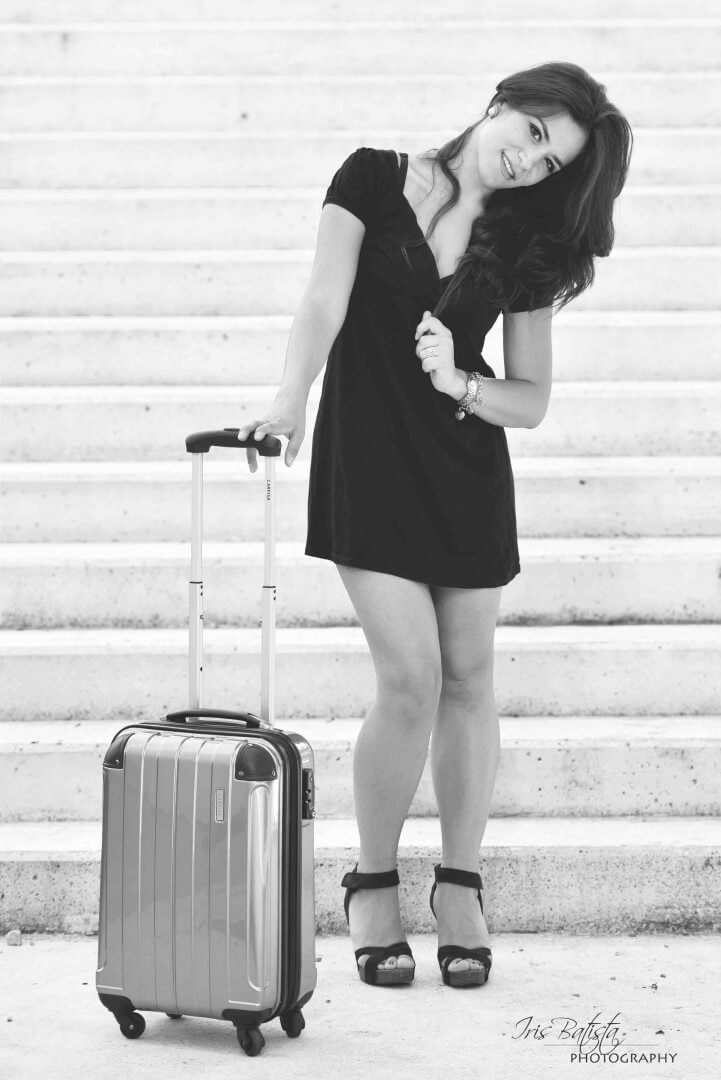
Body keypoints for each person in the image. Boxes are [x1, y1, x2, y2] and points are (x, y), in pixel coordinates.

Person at [235, 61, 633, 989]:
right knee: (411, 678)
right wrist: (288, 399)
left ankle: (459, 885)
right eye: (533, 133)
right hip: (366, 462)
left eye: (551, 163)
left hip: (462, 472)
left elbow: (530, 399)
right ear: (505, 103)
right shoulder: (371, 179)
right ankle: (371, 880)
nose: (529, 161)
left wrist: (460, 381)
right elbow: (323, 301)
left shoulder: (528, 242)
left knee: (468, 677)